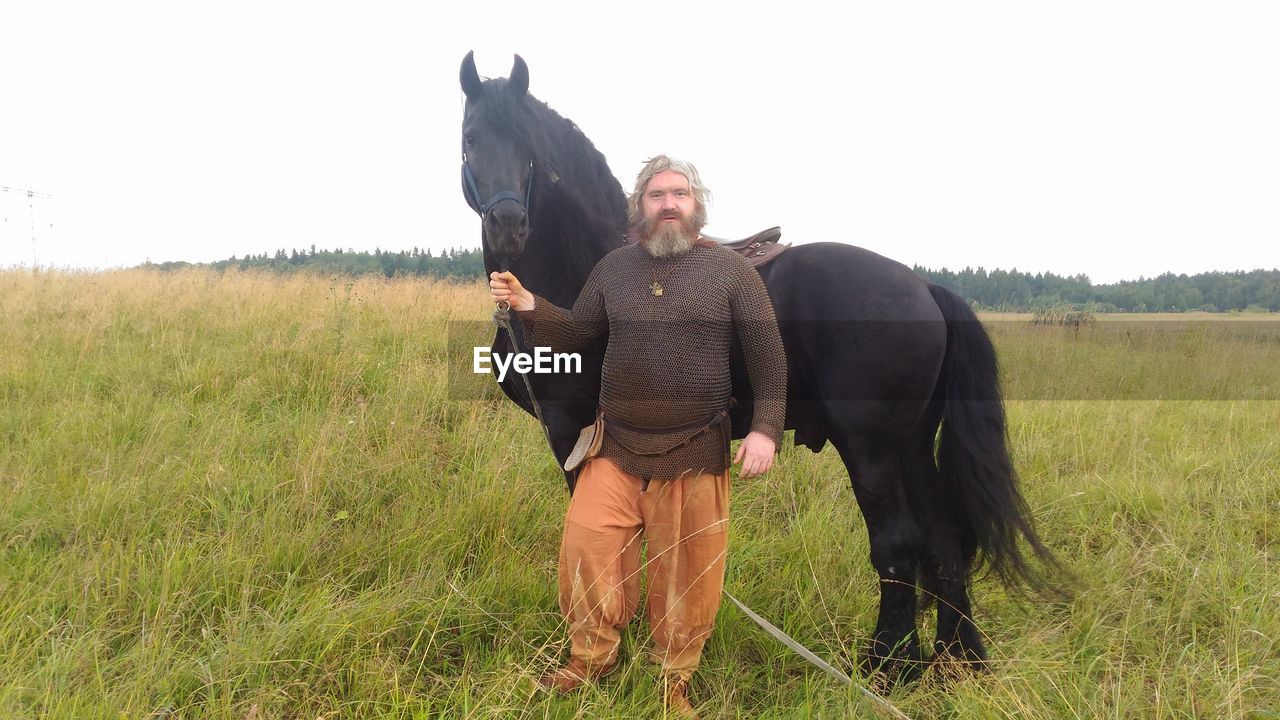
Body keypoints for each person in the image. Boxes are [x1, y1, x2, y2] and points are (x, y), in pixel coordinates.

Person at [489, 155, 786, 718]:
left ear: (696, 206)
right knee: (587, 549)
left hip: (694, 449)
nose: (668, 203)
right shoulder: (615, 269)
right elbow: (580, 332)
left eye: (679, 194)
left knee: (688, 575)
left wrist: (765, 429)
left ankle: (672, 679)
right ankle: (590, 658)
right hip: (616, 446)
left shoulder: (732, 274)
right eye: (656, 195)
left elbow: (768, 358)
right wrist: (530, 305)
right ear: (640, 207)